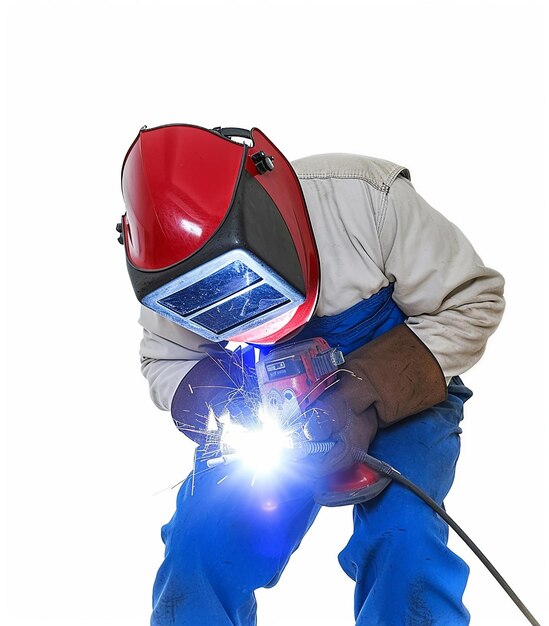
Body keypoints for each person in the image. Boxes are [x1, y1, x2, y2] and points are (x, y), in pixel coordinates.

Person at [118, 124, 505, 625]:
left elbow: (472, 301)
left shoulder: (363, 201)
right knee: (199, 544)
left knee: (403, 537)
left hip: (404, 385)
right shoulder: (170, 266)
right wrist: (225, 403)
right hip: (270, 406)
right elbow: (166, 359)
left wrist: (363, 390)